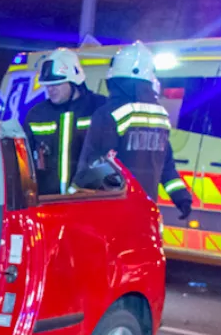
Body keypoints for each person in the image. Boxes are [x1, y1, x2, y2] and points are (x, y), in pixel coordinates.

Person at [75, 41, 193, 220]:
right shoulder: (160, 116)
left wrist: (74, 194)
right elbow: (166, 164)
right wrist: (181, 197)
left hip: (112, 210)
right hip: (145, 209)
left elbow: (93, 164)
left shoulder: (109, 113)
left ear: (114, 78)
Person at [24, 48, 107, 195]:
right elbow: (24, 160)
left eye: (57, 84)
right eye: (48, 85)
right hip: (48, 200)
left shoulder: (98, 108)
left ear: (74, 82)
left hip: (89, 199)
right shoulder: (37, 114)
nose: (51, 89)